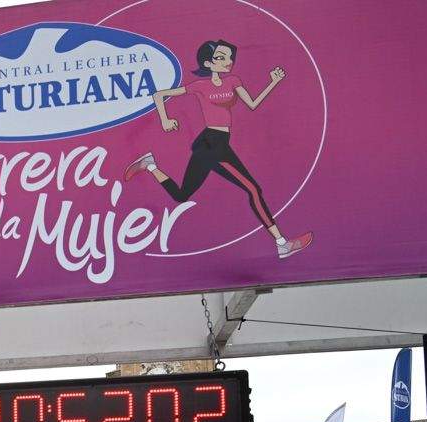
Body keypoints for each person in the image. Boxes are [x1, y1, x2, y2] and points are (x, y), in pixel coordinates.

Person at [124, 39, 311, 259]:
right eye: (221, 58)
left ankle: (150, 165)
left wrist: (273, 82)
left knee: (182, 195)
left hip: (216, 143)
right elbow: (159, 95)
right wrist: (165, 119)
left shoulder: (233, 81)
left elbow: (252, 104)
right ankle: (281, 243)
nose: (228, 62)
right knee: (253, 189)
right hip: (212, 143)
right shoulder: (199, 86)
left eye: (229, 58)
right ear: (208, 63)